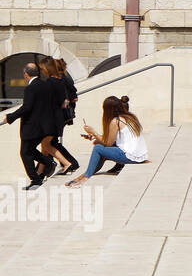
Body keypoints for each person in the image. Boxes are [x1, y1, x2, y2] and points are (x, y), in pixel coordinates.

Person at [1, 62, 62, 190]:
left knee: (25, 153)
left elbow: (27, 107)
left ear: (26, 74)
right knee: (30, 151)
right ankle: (48, 163)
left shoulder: (30, 88)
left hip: (32, 127)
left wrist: (10, 117)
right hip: (44, 127)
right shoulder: (45, 85)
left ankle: (36, 179)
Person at [66, 95, 149, 186]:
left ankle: (85, 177)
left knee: (98, 148)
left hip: (131, 156)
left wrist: (93, 132)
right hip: (140, 155)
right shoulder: (130, 117)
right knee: (100, 146)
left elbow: (108, 143)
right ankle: (85, 174)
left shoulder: (116, 121)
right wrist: (95, 137)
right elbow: (112, 139)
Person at [39, 56, 79, 176]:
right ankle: (41, 171)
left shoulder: (52, 82)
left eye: (43, 68)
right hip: (57, 117)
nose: (42, 71)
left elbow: (49, 101)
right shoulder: (60, 80)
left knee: (47, 144)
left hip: (53, 118)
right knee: (47, 144)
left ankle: (67, 163)